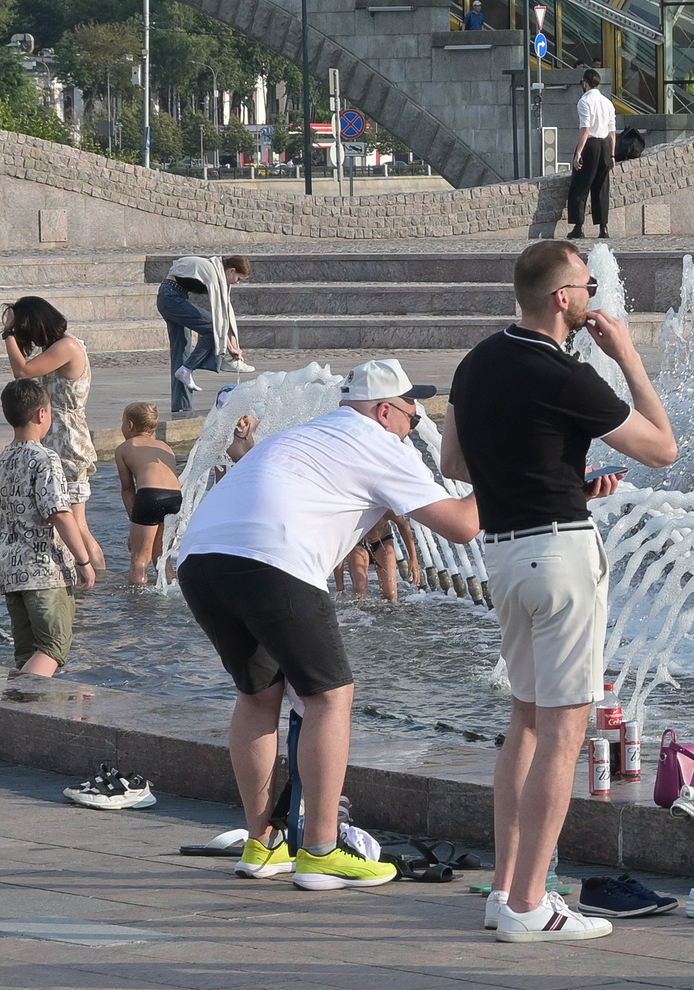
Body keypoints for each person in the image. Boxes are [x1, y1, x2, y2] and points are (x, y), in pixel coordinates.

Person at [444, 240, 678, 942]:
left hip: (506, 557)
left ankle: (506, 891)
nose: (594, 293)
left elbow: (456, 461)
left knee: (526, 720)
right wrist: (628, 356)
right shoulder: (565, 372)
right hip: (562, 554)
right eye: (588, 282)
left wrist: (559, 476)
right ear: (561, 298)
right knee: (566, 728)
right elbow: (662, 447)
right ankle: (530, 902)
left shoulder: (476, 362)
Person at [177, 359, 481, 890]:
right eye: (413, 410)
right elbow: (462, 526)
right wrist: (506, 471)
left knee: (257, 696)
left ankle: (263, 844)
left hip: (200, 557)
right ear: (384, 410)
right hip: (273, 558)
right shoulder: (380, 443)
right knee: (330, 697)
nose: (416, 422)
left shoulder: (309, 432)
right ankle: (320, 849)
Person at [0, 377, 77, 677]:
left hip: (10, 571)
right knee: (52, 648)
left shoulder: (2, 459)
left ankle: (23, 712)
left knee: (26, 652)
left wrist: (9, 549)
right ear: (41, 414)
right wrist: (84, 560)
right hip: (43, 571)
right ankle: (18, 695)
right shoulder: (44, 458)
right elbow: (58, 513)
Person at [2, 296, 102, 576]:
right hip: (55, 439)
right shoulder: (56, 347)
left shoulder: (67, 346)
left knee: (76, 521)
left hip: (68, 442)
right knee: (64, 519)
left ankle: (98, 580)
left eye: (23, 329)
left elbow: (21, 371)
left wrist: (7, 333)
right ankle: (80, 575)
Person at [158, 254, 256, 415]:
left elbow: (226, 309)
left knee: (181, 353)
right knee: (212, 327)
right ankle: (198, 365)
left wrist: (233, 344)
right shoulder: (212, 271)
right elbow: (218, 316)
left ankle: (182, 408)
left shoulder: (217, 272)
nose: (237, 283)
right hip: (171, 298)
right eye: (239, 279)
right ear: (232, 271)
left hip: (172, 297)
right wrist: (229, 347)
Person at [114, 402, 182, 585]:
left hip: (150, 496)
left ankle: (139, 608)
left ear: (129, 425)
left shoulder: (125, 448)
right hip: (175, 498)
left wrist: (135, 525)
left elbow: (128, 489)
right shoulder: (165, 447)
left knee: (139, 562)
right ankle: (170, 591)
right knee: (162, 559)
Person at [568, 68, 616, 241]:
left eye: (583, 82)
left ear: (586, 83)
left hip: (591, 145)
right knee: (601, 187)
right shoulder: (607, 102)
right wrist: (612, 155)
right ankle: (603, 228)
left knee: (580, 185)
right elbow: (612, 132)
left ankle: (578, 227)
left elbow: (585, 129)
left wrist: (578, 153)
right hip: (605, 145)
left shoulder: (584, 101)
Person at [341, 511, 416, 603]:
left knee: (391, 596)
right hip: (358, 543)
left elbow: (404, 525)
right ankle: (364, 616)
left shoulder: (384, 508)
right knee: (360, 593)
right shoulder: (353, 509)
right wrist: (340, 588)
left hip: (383, 541)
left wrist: (413, 559)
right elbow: (337, 545)